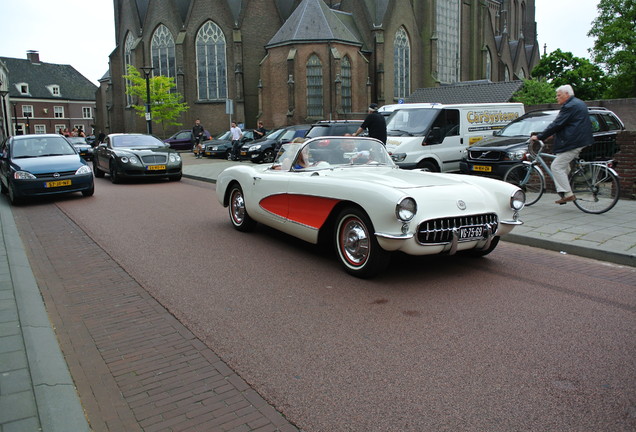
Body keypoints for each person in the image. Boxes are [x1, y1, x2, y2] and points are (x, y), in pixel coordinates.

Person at [531, 85, 593, 205]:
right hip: (579, 139)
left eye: (559, 95)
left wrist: (540, 136)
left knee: (556, 166)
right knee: (565, 167)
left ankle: (568, 193)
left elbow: (557, 124)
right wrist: (552, 135)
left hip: (573, 141)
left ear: (567, 94)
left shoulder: (569, 106)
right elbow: (569, 125)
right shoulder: (578, 103)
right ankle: (564, 188)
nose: (556, 97)